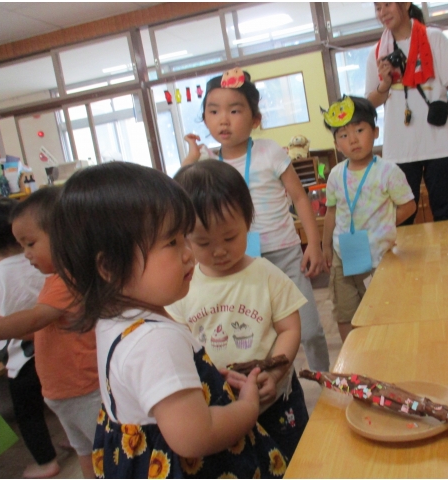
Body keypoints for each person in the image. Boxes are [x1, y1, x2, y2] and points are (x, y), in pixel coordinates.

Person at [50, 161, 287, 478]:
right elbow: (195, 436)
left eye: (185, 238)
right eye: (172, 242)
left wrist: (201, 378)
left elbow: (147, 389)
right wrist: (247, 408)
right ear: (110, 267)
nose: (188, 253)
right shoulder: (154, 341)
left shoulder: (115, 321)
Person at [181, 70, 330, 373]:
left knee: (309, 329)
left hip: (283, 253)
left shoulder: (269, 151)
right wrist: (191, 159)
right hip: (238, 260)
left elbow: (300, 198)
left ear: (256, 119)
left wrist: (313, 244)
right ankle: (270, 379)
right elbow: (179, 195)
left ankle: (323, 377)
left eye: (235, 111)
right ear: (204, 119)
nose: (224, 120)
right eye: (213, 111)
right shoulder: (207, 163)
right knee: (261, 331)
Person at [170, 160, 308, 460]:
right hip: (220, 410)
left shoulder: (266, 274)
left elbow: (290, 329)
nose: (219, 250)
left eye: (230, 238)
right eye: (203, 243)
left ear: (248, 222)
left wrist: (274, 372)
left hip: (273, 400)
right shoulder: (182, 287)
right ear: (183, 238)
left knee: (296, 461)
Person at [0, 188, 100, 479]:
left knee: (102, 451)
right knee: (85, 450)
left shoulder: (68, 280)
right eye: (21, 245)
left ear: (66, 236)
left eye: (30, 243)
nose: (26, 254)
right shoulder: (54, 279)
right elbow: (46, 330)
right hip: (63, 391)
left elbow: (35, 320)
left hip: (83, 389)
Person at [366, 2, 448, 224]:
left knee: (446, 215)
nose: (382, 12)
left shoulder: (434, 38)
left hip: (442, 143)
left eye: (387, 4)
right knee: (401, 219)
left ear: (406, 4)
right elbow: (370, 103)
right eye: (377, 7)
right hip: (400, 149)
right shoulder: (377, 53)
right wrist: (385, 83)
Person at [321, 95, 415, 341]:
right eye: (343, 135)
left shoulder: (388, 171)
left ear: (375, 132)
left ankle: (384, 347)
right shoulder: (335, 175)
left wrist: (383, 225)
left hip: (379, 257)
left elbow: (409, 206)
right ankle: (352, 353)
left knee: (381, 309)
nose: (352, 139)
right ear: (336, 143)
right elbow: (331, 212)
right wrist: (326, 246)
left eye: (360, 130)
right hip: (343, 254)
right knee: (345, 312)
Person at [0, 198, 60, 479]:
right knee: (58, 400)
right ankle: (75, 438)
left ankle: (46, 461)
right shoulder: (41, 260)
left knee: (29, 414)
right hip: (54, 347)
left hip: (21, 358)